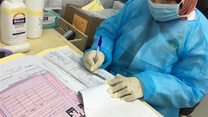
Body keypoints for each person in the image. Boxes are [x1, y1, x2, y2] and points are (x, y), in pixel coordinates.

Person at [83, 0, 208, 117]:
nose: (156, 4)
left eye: (165, 1)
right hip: (105, 84)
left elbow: (192, 88)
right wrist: (100, 50)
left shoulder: (200, 36)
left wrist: (144, 85)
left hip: (150, 105)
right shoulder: (138, 5)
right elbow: (108, 30)